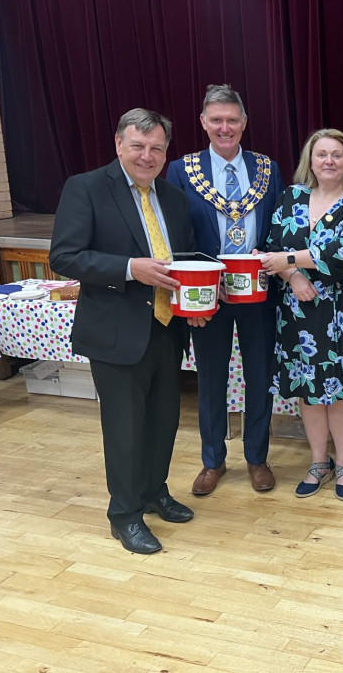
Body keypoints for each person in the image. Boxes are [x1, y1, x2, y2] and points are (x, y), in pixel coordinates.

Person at [49, 108, 206, 554]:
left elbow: (185, 262)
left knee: (163, 421)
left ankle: (154, 491)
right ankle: (124, 514)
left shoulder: (173, 199)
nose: (147, 156)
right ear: (119, 144)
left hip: (166, 328)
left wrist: (195, 303)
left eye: (156, 148)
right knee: (124, 427)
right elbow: (65, 256)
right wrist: (129, 268)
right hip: (117, 332)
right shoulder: (86, 188)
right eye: (138, 146)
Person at [165, 84, 284, 497]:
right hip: (206, 293)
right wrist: (185, 293)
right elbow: (175, 234)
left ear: (244, 123)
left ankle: (257, 457)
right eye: (216, 120)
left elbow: (280, 225)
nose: (225, 127)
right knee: (211, 378)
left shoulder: (267, 168)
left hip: (259, 292)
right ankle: (212, 460)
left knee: (259, 375)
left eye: (232, 119)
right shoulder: (183, 170)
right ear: (203, 123)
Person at [259, 129, 343, 500]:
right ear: (310, 161)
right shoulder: (291, 197)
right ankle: (318, 463)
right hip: (299, 310)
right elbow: (271, 249)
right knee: (310, 390)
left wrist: (291, 260)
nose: (329, 161)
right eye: (321, 154)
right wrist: (293, 276)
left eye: (337, 155)